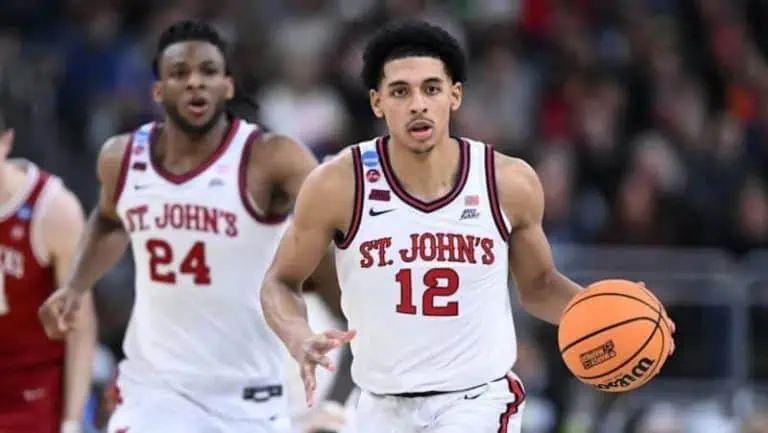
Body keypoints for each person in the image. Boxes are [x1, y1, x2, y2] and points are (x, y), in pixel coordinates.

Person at [260, 20, 676, 433]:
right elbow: (280, 281)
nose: (418, 104)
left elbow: (539, 286)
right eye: (400, 92)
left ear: (454, 95)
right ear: (377, 102)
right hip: (380, 405)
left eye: (431, 89)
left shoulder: (507, 182)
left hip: (476, 401)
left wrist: (618, 313)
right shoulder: (338, 184)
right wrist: (297, 335)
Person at [38, 20, 340, 433]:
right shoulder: (122, 158)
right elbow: (109, 221)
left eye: (208, 71)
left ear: (227, 86)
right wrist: (75, 286)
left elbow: (334, 226)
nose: (195, 82)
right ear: (158, 90)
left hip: (249, 390)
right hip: (156, 389)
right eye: (180, 73)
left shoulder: (270, 158)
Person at [0, 117, 96, 433]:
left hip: (31, 396)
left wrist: (72, 422)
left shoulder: (53, 209)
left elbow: (81, 327)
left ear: (6, 141)